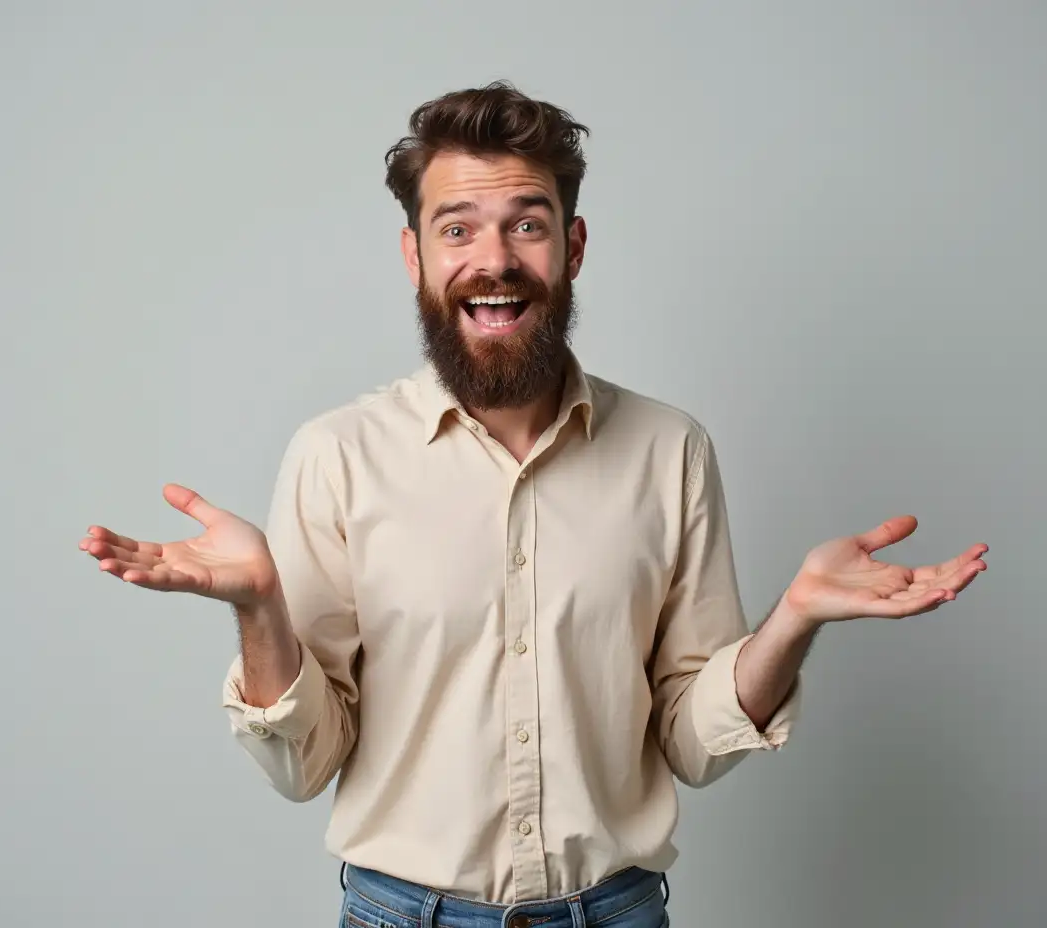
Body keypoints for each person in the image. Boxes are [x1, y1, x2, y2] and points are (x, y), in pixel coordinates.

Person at [78, 81, 987, 928]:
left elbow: (694, 745)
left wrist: (792, 620)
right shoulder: (336, 458)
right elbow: (303, 763)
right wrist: (260, 608)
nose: (494, 260)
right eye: (458, 229)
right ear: (416, 256)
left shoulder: (670, 451)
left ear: (573, 245)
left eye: (527, 224)